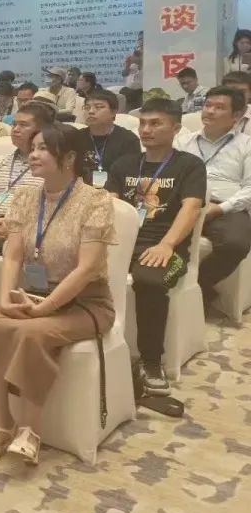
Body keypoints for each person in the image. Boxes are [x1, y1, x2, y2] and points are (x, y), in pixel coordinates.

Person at [0, 124, 115, 466]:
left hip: (85, 303)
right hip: (34, 295)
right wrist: (6, 298)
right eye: (32, 147)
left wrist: (47, 308)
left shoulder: (95, 201)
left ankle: (30, 430)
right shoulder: (25, 197)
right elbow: (13, 255)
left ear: (69, 157)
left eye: (43, 149)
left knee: (32, 334)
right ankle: (1, 424)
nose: (33, 154)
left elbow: (86, 269)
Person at [105, 98, 206, 396]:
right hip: (122, 243)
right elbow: (108, 206)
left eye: (155, 123)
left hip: (167, 248)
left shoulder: (189, 166)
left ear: (175, 128)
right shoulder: (124, 164)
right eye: (143, 123)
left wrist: (167, 244)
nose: (146, 130)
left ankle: (151, 360)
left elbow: (191, 208)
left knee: (149, 281)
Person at [174, 86, 251, 304]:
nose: (209, 111)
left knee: (235, 244)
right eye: (208, 105)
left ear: (237, 115)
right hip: (184, 203)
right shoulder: (183, 141)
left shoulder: (246, 145)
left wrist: (220, 208)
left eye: (219, 107)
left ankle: (198, 288)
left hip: (225, 207)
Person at [0, 102, 51, 253]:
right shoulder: (0, 161)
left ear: (41, 131)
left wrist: (14, 228)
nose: (15, 129)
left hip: (28, 230)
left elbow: (50, 210)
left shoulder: (49, 166)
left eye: (23, 125)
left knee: (12, 246)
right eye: (14, 124)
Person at [79, 89, 141, 186]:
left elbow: (127, 177)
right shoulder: (76, 137)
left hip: (116, 191)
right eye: (87, 107)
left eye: (98, 107)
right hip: (81, 190)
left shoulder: (128, 140)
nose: (91, 111)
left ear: (113, 112)